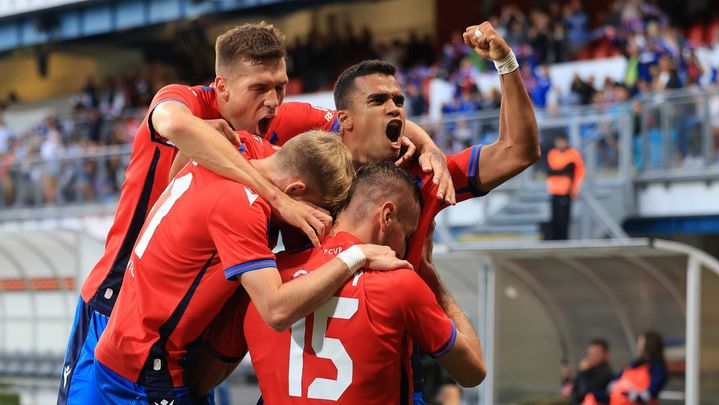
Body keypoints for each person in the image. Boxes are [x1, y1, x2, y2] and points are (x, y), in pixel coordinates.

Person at [57, 22, 331, 405]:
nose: (272, 100)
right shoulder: (184, 102)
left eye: (280, 87)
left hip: (186, 331)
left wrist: (424, 145)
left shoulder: (271, 120)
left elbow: (350, 119)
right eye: (259, 88)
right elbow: (173, 123)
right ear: (222, 87)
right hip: (115, 303)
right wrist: (277, 197)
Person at [93, 132, 411, 404]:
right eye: (318, 210)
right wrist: (355, 256)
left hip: (119, 344)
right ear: (295, 192)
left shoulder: (238, 148)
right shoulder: (241, 209)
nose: (320, 222)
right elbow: (275, 310)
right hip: (147, 369)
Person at [190, 162, 487, 403]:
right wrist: (432, 278)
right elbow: (473, 372)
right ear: (386, 216)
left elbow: (203, 379)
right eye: (406, 235)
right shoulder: (400, 283)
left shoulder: (264, 282)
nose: (405, 247)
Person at [545, 133, 585, 240]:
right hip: (554, 190)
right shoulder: (552, 153)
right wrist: (564, 169)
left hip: (566, 191)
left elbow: (578, 172)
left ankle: (563, 240)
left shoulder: (573, 154)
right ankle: (555, 240)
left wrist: (575, 189)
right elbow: (553, 170)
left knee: (564, 220)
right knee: (555, 218)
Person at [570, 339, 614, 405]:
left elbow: (584, 391)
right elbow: (575, 392)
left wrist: (583, 373)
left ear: (605, 354)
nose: (592, 357)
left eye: (596, 354)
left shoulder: (605, 373)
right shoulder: (587, 370)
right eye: (590, 354)